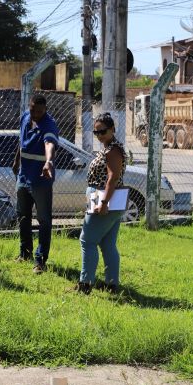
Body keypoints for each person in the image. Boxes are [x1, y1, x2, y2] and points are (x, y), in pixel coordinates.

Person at [75, 112, 127, 294]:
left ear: (113, 129)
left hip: (104, 197)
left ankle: (85, 284)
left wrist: (104, 202)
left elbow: (112, 178)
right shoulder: (109, 147)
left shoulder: (113, 150)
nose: (99, 136)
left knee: (87, 240)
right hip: (107, 198)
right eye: (96, 133)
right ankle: (112, 284)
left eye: (102, 132)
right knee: (107, 244)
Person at [12, 94, 58, 274]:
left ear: (45, 110)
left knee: (44, 220)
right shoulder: (25, 117)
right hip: (23, 177)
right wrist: (16, 160)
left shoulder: (49, 124)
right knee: (23, 216)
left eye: (39, 112)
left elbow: (50, 144)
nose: (36, 115)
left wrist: (49, 162)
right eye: (33, 111)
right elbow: (21, 142)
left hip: (41, 179)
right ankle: (25, 252)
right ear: (29, 107)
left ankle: (40, 260)